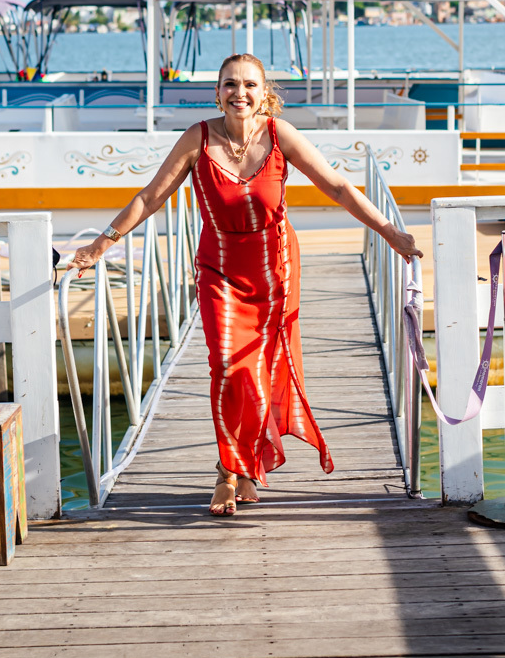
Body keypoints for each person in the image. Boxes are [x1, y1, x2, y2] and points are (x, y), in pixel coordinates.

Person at [71, 53, 421, 516]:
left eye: (250, 85)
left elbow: (337, 187)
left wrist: (391, 233)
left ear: (264, 93)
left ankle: (238, 467)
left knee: (260, 371)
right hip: (218, 269)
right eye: (230, 84)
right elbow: (150, 197)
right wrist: (99, 246)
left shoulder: (280, 135)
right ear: (217, 92)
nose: (240, 93)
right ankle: (228, 469)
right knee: (227, 366)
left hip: (275, 270)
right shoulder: (197, 138)